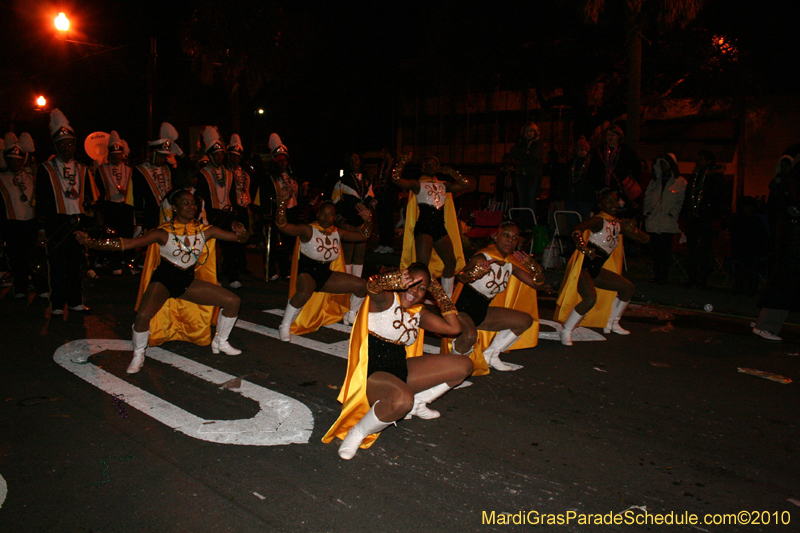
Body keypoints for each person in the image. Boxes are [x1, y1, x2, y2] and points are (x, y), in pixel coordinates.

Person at [75, 188, 250, 373]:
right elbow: (129, 243)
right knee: (143, 316)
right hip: (163, 281)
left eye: (194, 203)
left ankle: (220, 342)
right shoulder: (163, 232)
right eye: (186, 203)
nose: (192, 207)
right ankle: (138, 354)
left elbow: (240, 239)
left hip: (186, 282)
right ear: (174, 207)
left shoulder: (206, 230)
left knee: (233, 301)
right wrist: (92, 242)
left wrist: (240, 229)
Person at [322, 265, 471, 460]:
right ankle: (357, 432)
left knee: (464, 365)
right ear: (403, 280)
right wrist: (390, 280)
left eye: (422, 288)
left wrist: (439, 292)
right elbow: (372, 287)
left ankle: (419, 402)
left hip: (400, 371)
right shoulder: (386, 300)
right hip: (374, 376)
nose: (414, 291)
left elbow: (454, 328)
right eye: (412, 283)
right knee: (402, 401)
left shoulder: (419, 313)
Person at [446, 222, 544, 373]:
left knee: (524, 320)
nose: (510, 240)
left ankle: (491, 355)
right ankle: (451, 369)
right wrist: (476, 273)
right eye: (506, 235)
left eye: (515, 238)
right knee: (471, 335)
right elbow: (461, 277)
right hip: (461, 311)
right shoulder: (482, 256)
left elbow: (537, 284)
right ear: (495, 236)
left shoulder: (509, 263)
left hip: (482, 312)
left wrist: (533, 266)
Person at [554, 190, 650, 345]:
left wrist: (634, 230)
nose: (613, 205)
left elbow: (645, 240)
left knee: (628, 288)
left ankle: (612, 322)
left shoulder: (617, 224)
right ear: (601, 204)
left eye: (615, 201)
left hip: (596, 270)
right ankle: (566, 330)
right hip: (583, 268)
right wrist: (583, 246)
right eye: (609, 201)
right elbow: (577, 228)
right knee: (590, 298)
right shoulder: (599, 220)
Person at [276, 195, 373, 341]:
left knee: (362, 285)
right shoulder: (308, 229)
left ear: (335, 217)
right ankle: (285, 325)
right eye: (323, 213)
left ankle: (351, 314)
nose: (327, 217)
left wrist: (368, 220)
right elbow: (283, 226)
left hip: (326, 273)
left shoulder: (337, 232)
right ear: (317, 214)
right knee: (303, 293)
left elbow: (363, 236)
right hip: (307, 272)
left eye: (331, 214)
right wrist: (282, 204)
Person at [36, 109, 100, 315]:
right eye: (62, 144)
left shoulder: (82, 168)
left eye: (70, 143)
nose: (67, 147)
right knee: (56, 265)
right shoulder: (45, 168)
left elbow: (90, 199)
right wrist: (42, 227)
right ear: (56, 145)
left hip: (77, 222)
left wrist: (89, 219)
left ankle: (75, 301)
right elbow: (42, 201)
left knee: (75, 264)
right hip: (56, 222)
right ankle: (56, 304)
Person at [393, 153, 469, 297]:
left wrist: (452, 172)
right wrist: (402, 163)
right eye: (427, 164)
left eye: (433, 164)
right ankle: (413, 296)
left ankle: (446, 298)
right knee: (422, 266)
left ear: (438, 167)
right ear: (422, 168)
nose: (430, 166)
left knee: (451, 263)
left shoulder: (443, 185)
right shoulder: (418, 184)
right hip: (424, 227)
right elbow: (396, 180)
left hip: (439, 227)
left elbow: (466, 184)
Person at [753, 156, 800, 342]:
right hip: (794, 240)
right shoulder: (793, 180)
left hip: (791, 238)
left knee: (785, 282)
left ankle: (766, 323)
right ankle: (766, 324)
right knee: (785, 283)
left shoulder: (791, 180)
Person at [196, 126, 245, 289]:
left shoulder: (229, 173)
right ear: (210, 156)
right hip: (211, 215)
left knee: (229, 247)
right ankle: (211, 276)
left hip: (227, 214)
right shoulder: (203, 173)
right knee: (210, 248)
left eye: (221, 154)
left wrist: (235, 215)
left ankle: (232, 276)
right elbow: (202, 196)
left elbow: (232, 196)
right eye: (216, 154)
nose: (219, 157)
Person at [0, 132, 46, 298]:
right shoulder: (1, 178)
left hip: (30, 222)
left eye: (18, 160)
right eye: (12, 160)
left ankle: (41, 287)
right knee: (16, 257)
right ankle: (20, 287)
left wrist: (41, 226)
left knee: (36, 256)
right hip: (11, 224)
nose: (15, 163)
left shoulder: (31, 177)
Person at [128, 122, 186, 232]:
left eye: (165, 156)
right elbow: (138, 197)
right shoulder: (140, 170)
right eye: (161, 156)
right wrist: (139, 223)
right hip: (151, 218)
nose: (163, 159)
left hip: (169, 217)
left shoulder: (168, 169)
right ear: (153, 154)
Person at [683, 149, 726, 288]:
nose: (698, 162)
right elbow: (688, 198)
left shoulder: (715, 178)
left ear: (708, 162)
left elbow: (719, 200)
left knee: (705, 249)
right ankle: (692, 277)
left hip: (707, 219)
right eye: (697, 159)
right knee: (691, 249)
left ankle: (703, 278)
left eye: (701, 159)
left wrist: (714, 217)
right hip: (693, 218)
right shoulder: (694, 177)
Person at [94, 131, 134, 275]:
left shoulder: (130, 170)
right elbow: (98, 191)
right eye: (114, 154)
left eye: (119, 154)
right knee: (111, 235)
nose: (117, 157)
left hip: (126, 207)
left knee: (127, 235)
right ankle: (114, 262)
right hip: (110, 207)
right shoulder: (101, 170)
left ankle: (128, 262)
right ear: (109, 155)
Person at [643, 153, 686, 284]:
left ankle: (664, 276)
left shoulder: (681, 182)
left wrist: (673, 213)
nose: (664, 167)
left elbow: (681, 201)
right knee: (656, 251)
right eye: (661, 164)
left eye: (666, 164)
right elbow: (648, 197)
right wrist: (647, 211)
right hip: (654, 221)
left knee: (665, 250)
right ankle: (657, 275)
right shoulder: (655, 181)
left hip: (668, 222)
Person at [331, 152, 376, 278]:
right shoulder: (342, 181)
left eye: (356, 159)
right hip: (348, 221)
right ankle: (347, 282)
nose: (354, 162)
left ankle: (356, 282)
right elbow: (335, 200)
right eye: (351, 160)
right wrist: (340, 218)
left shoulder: (367, 181)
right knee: (348, 252)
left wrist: (370, 210)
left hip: (362, 221)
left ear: (360, 161)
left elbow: (372, 198)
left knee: (360, 253)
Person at [263, 133, 300, 281]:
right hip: (275, 214)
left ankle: (285, 269)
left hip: (290, 214)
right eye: (279, 161)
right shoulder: (269, 178)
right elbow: (265, 198)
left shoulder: (292, 177)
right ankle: (271, 270)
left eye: (284, 160)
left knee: (287, 244)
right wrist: (267, 216)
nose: (282, 163)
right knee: (273, 245)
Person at [587, 125, 641, 207]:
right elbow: (592, 170)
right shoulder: (600, 151)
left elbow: (636, 167)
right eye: (608, 135)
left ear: (619, 136)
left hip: (620, 189)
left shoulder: (625, 151)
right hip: (603, 189)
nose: (610, 137)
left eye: (612, 135)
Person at [225, 134, 253, 288]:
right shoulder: (225, 171)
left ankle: (242, 264)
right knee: (232, 238)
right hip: (231, 207)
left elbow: (246, 191)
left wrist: (247, 207)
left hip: (242, 207)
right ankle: (230, 265)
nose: (235, 159)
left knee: (243, 236)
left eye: (237, 157)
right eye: (232, 156)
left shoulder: (244, 173)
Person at [510, 122, 543, 212]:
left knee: (531, 200)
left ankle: (531, 222)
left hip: (532, 176)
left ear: (535, 132)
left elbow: (534, 156)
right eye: (527, 131)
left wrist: (523, 154)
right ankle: (523, 222)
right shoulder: (520, 142)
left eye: (531, 131)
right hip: (521, 175)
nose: (528, 133)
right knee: (522, 201)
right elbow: (513, 152)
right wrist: (525, 152)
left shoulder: (537, 143)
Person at [563, 136, 594, 223]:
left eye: (584, 149)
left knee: (583, 223)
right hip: (571, 198)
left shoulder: (590, 164)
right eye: (579, 149)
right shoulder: (571, 163)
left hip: (584, 199)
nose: (582, 152)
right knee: (571, 222)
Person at [373, 146, 397, 253]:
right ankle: (382, 243)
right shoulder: (381, 165)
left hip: (390, 196)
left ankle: (389, 244)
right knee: (381, 220)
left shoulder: (395, 165)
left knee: (388, 221)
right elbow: (378, 178)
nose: (382, 154)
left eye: (385, 152)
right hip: (381, 196)